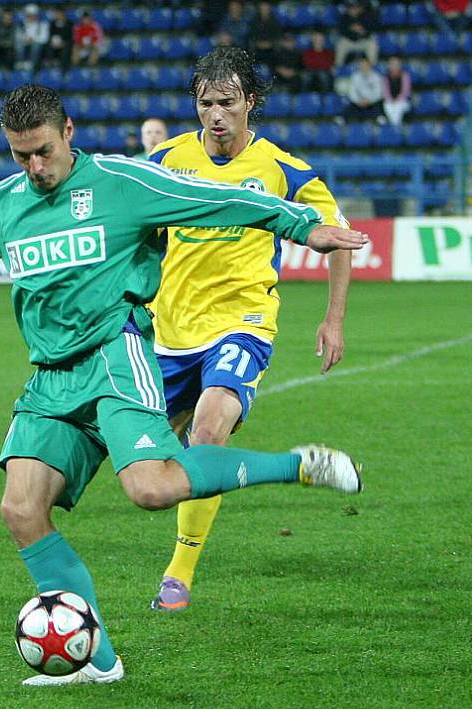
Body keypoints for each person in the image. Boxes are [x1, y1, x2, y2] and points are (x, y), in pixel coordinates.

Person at [0, 83, 367, 685]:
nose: (34, 168)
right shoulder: (4, 204)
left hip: (116, 357)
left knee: (151, 489)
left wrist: (301, 227)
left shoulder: (121, 183)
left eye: (43, 152)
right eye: (20, 156)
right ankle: (99, 662)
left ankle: (294, 465)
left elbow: (213, 200)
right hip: (50, 378)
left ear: (69, 133)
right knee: (21, 509)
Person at [147, 47, 355, 613]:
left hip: (243, 323)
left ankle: (179, 575)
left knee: (210, 432)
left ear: (250, 104)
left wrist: (332, 320)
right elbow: (140, 233)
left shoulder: (283, 169)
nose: (215, 115)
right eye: (205, 103)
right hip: (169, 331)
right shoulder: (166, 159)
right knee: (152, 474)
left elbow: (340, 238)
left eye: (227, 103)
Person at [334, 0, 379, 68]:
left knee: (372, 44)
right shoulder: (344, 17)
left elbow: (372, 29)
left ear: (359, 8)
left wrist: (363, 31)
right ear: (348, 9)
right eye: (351, 8)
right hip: (349, 42)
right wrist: (351, 30)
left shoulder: (365, 16)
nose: (353, 10)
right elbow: (342, 31)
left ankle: (374, 68)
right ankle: (338, 68)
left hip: (363, 41)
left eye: (355, 8)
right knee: (340, 45)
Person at [343, 56, 384, 123]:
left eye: (365, 65)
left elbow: (378, 93)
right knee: (349, 108)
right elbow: (352, 92)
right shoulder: (354, 76)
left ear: (369, 66)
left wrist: (369, 100)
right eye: (361, 65)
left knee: (378, 107)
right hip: (358, 102)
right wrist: (358, 101)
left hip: (372, 102)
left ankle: (379, 119)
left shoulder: (376, 77)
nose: (363, 67)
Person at [15, 3, 49, 74]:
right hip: (24, 43)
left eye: (33, 15)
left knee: (35, 46)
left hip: (37, 45)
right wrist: (24, 39)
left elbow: (44, 38)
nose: (30, 17)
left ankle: (33, 64)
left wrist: (33, 39)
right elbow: (18, 36)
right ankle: (20, 62)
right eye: (28, 15)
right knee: (18, 44)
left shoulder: (42, 24)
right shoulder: (21, 24)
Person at [247, 1, 281, 66]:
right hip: (257, 49)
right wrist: (258, 44)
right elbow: (251, 36)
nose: (264, 10)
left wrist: (270, 44)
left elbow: (278, 36)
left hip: (271, 50)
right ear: (259, 9)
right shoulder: (254, 20)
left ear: (270, 9)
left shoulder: (275, 21)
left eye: (266, 8)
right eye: (262, 8)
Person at [382, 55, 412, 127]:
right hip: (390, 101)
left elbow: (406, 91)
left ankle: (395, 127)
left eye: (396, 64)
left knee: (398, 107)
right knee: (388, 106)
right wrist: (391, 99)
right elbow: (385, 92)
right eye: (392, 64)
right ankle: (396, 127)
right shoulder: (385, 77)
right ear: (389, 65)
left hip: (403, 101)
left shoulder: (405, 76)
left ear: (400, 65)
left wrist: (397, 100)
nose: (394, 66)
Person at [43, 6, 72, 74]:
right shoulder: (52, 23)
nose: (58, 15)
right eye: (57, 14)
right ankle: (50, 68)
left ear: (63, 14)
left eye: (60, 14)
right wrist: (53, 42)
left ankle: (63, 70)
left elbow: (70, 37)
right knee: (48, 46)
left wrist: (63, 43)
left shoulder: (69, 23)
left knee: (66, 48)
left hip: (65, 43)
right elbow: (50, 35)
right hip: (54, 44)